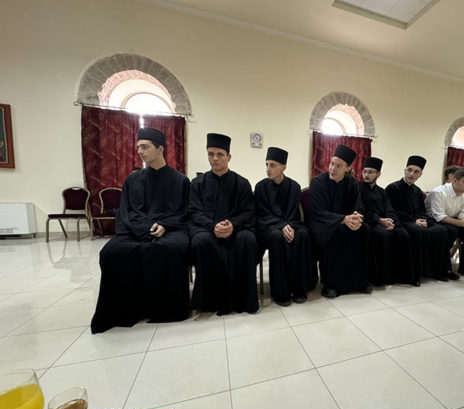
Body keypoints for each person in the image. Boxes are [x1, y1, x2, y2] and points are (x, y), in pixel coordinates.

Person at [91, 127, 190, 334]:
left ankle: (166, 311)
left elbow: (183, 212)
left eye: (144, 147)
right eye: (138, 147)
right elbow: (126, 211)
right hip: (135, 228)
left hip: (171, 228)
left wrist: (164, 225)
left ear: (160, 149)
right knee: (111, 252)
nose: (139, 151)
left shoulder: (180, 180)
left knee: (174, 248)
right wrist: (145, 228)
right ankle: (125, 311)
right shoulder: (132, 180)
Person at [188, 133, 258, 315]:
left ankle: (243, 300)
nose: (215, 158)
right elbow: (194, 212)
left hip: (236, 230)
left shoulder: (242, 183)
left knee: (248, 239)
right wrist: (213, 226)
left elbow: (248, 212)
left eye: (219, 154)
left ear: (229, 157)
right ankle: (209, 302)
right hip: (208, 230)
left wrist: (233, 225)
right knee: (200, 241)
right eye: (210, 154)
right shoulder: (197, 183)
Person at [254, 147, 315, 306]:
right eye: (267, 164)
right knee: (277, 236)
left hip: (292, 223)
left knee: (302, 235)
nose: (268, 169)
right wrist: (281, 225)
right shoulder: (260, 187)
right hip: (269, 226)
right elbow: (262, 214)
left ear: (283, 167)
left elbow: (294, 212)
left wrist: (289, 226)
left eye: (273, 165)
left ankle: (299, 289)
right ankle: (280, 292)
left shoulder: (294, 187)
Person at [309, 144, 370, 298]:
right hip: (323, 224)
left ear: (348, 168)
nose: (332, 169)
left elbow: (359, 206)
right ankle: (330, 284)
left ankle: (359, 282)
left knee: (364, 230)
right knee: (334, 233)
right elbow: (317, 212)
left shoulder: (353, 184)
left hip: (346, 222)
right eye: (332, 164)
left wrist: (356, 218)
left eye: (338, 166)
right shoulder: (317, 182)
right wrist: (342, 219)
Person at [386, 155, 457, 281]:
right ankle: (416, 273)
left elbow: (421, 211)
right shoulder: (393, 188)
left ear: (420, 175)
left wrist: (423, 220)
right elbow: (391, 210)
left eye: (416, 172)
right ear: (405, 170)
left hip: (417, 220)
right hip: (402, 221)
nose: (412, 174)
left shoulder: (418, 191)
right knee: (419, 232)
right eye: (409, 170)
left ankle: (440, 270)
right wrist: (414, 221)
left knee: (441, 230)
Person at [360, 157, 418, 286]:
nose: (366, 175)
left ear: (378, 174)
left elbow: (389, 209)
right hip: (369, 221)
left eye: (370, 172)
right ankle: (381, 277)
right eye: (364, 171)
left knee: (403, 234)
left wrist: (390, 221)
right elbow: (360, 209)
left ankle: (403, 276)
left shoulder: (381, 191)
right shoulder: (357, 189)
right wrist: (379, 220)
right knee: (382, 235)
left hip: (383, 222)